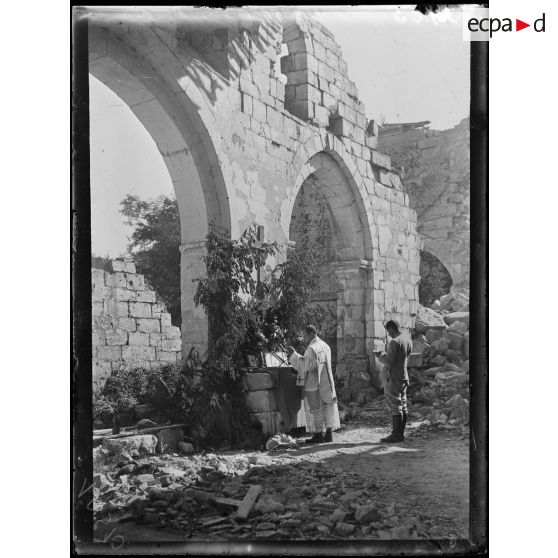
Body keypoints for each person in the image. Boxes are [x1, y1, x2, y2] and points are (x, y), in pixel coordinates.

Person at [287, 325, 340, 443]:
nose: (303, 338)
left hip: (314, 383)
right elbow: (312, 363)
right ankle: (329, 434)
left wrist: (293, 355)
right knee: (327, 407)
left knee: (316, 409)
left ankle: (318, 434)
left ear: (311, 333)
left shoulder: (311, 348)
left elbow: (305, 366)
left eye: (304, 335)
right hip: (327, 381)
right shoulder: (325, 346)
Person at [380, 320, 412, 443]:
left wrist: (380, 357)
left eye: (388, 331)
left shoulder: (395, 342)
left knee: (395, 406)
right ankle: (400, 433)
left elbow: (389, 362)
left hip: (393, 377)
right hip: (404, 376)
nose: (388, 334)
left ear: (392, 328)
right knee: (403, 405)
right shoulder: (407, 339)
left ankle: (395, 434)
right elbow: (405, 357)